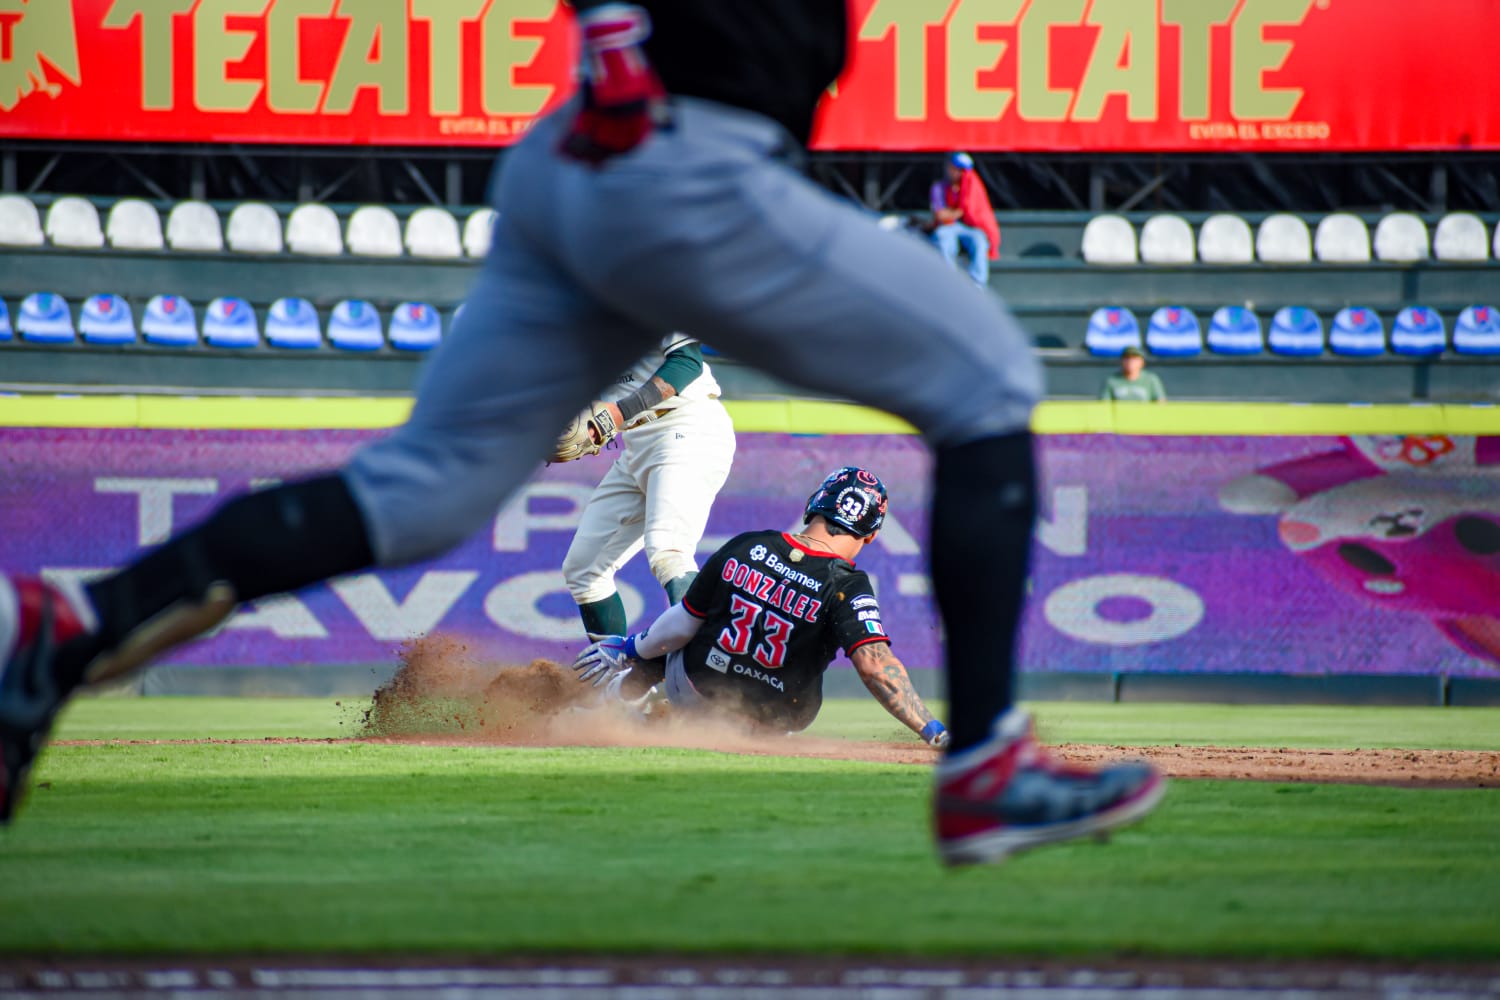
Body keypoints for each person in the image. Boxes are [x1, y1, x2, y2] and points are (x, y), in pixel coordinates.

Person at [0, 0, 1162, 865]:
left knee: (424, 489)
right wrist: (614, 42)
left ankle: (75, 626)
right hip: (686, 155)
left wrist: (606, 43)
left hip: (572, 163)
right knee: (990, 377)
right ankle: (985, 761)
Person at [573, 467, 950, 747]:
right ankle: (659, 719)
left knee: (680, 631)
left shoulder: (750, 545)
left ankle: (611, 705)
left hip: (693, 692)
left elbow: (681, 627)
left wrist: (629, 647)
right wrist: (932, 729)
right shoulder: (847, 585)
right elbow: (874, 665)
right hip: (770, 725)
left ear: (813, 506)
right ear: (871, 534)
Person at [552, 334, 735, 637]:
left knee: (669, 550)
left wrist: (618, 414)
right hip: (636, 442)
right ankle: (614, 667)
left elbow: (686, 362)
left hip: (687, 426)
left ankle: (701, 662)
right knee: (583, 569)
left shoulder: (648, 302)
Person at [930, 152, 1001, 286]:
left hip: (969, 228)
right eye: (956, 168)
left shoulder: (971, 188)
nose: (959, 173)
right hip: (948, 228)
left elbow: (974, 212)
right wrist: (959, 212)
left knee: (980, 240)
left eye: (962, 170)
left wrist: (956, 212)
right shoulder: (939, 188)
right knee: (943, 239)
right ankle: (948, 283)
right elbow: (941, 215)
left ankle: (978, 286)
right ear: (949, 168)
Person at [1100, 347, 1167, 402]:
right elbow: (1104, 405)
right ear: (1121, 361)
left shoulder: (1151, 379)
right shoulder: (1111, 380)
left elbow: (1160, 403)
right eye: (1127, 358)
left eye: (1134, 358)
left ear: (1142, 362)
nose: (1130, 362)